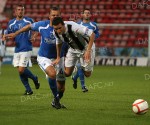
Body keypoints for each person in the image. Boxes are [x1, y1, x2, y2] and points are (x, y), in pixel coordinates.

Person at [5, 7, 67, 109]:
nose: (55, 17)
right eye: (53, 15)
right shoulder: (42, 25)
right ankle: (56, 99)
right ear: (49, 16)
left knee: (62, 88)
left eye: (57, 15)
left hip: (59, 58)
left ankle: (56, 101)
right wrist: (16, 33)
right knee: (52, 74)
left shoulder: (65, 27)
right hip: (44, 57)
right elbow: (29, 26)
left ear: (60, 16)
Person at [4, 4, 40, 95]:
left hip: (26, 47)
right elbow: (8, 33)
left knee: (21, 69)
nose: (20, 11)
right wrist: (6, 37)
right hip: (17, 49)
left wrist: (34, 36)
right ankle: (29, 89)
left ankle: (35, 79)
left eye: (22, 10)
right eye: (19, 10)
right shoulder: (11, 23)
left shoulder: (28, 20)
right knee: (20, 71)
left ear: (24, 11)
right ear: (15, 11)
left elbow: (37, 29)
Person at [52, 17, 95, 81]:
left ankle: (80, 65)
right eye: (56, 29)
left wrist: (88, 51)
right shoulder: (55, 33)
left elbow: (92, 34)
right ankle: (76, 67)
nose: (58, 31)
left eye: (60, 28)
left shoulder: (73, 27)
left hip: (86, 48)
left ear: (63, 25)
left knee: (87, 74)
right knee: (67, 74)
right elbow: (58, 43)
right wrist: (58, 57)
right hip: (73, 49)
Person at [72, 8, 100, 92]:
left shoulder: (94, 25)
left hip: (90, 47)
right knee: (80, 65)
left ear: (90, 15)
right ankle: (83, 86)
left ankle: (75, 77)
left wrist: (93, 38)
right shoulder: (78, 24)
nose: (87, 14)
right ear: (82, 14)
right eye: (85, 13)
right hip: (80, 46)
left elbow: (97, 33)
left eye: (88, 13)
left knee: (88, 73)